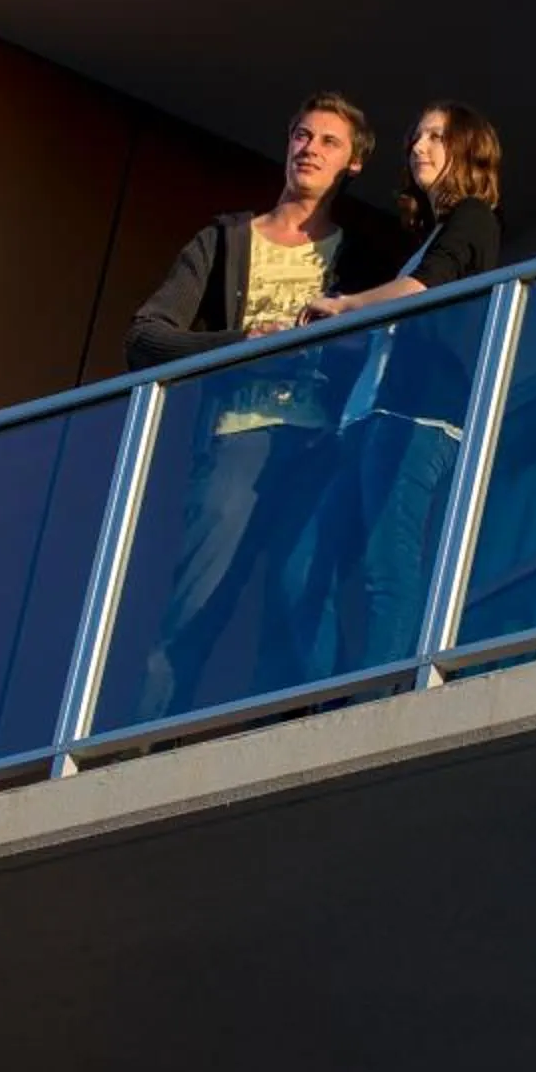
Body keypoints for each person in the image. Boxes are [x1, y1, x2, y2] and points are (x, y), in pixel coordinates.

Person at [124, 93, 382, 718]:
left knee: (301, 601)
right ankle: (134, 758)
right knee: (195, 607)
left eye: (328, 141)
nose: (309, 149)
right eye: (301, 135)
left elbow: (390, 341)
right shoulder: (226, 239)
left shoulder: (362, 252)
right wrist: (242, 343)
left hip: (322, 449)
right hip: (238, 441)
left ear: (353, 163)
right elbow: (145, 337)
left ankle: (298, 751)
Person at [296, 103, 505, 669]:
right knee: (304, 570)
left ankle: (377, 707)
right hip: (372, 417)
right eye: (416, 136)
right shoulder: (432, 233)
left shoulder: (473, 217)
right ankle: (319, 701)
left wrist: (345, 305)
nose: (419, 147)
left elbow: (421, 290)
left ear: (468, 149)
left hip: (417, 419)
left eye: (437, 137)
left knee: (389, 564)